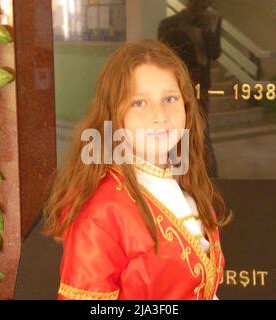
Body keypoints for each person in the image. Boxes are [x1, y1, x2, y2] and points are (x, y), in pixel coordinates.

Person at [43, 40, 230, 300]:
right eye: (140, 103)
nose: (160, 115)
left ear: (186, 105)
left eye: (170, 99)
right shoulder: (101, 210)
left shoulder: (186, 184)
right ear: (113, 113)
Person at [158, 0, 222, 177]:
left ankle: (211, 177)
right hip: (174, 83)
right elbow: (162, 53)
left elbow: (215, 53)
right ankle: (173, 174)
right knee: (172, 129)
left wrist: (207, 31)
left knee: (201, 130)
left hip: (200, 82)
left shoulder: (213, 20)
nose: (199, 5)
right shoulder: (169, 23)